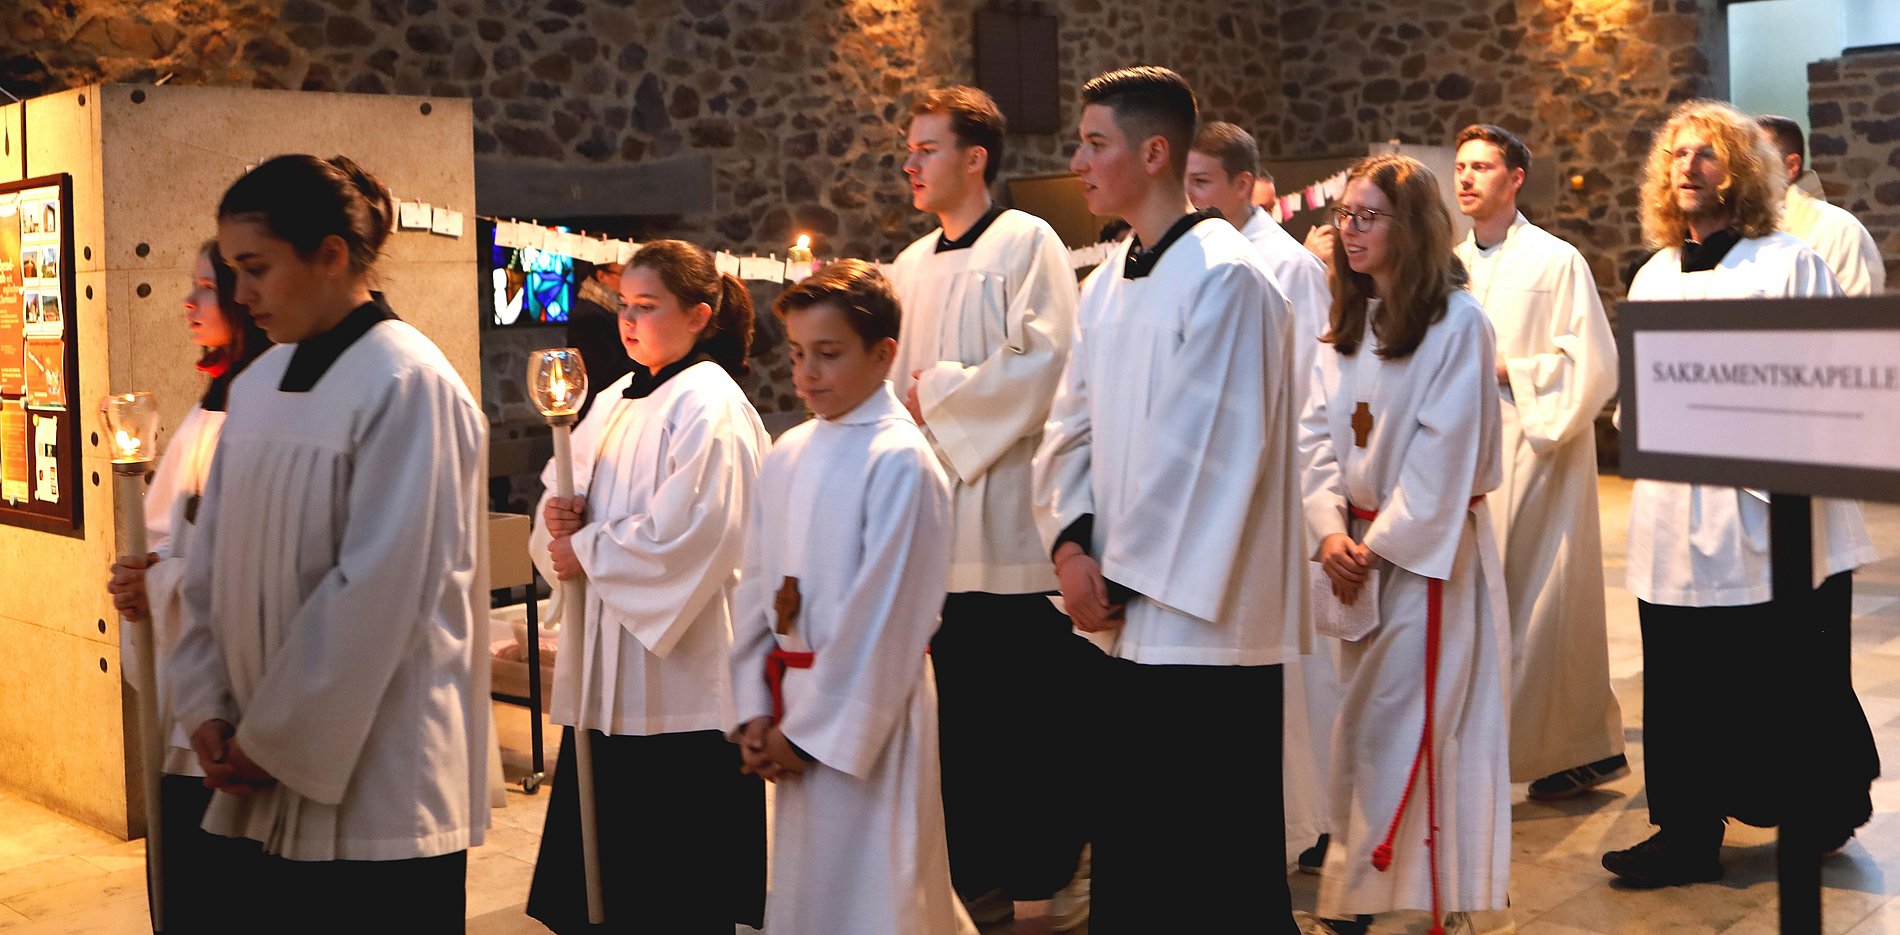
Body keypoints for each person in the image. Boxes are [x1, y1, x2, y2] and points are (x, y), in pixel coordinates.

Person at [166, 154, 489, 931]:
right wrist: (205, 705)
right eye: (233, 271)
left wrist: (271, 736)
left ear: (332, 255)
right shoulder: (256, 384)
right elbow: (210, 564)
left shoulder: (408, 382)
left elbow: (381, 588)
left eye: (257, 268)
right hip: (254, 755)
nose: (241, 294)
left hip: (377, 769)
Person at [1034, 66, 1302, 933]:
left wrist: (1110, 578)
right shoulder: (1108, 280)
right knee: (1137, 852)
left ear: (1155, 153)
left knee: (1210, 863)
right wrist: (1071, 546)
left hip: (1202, 625)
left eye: (1095, 142)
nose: (1078, 160)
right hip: (1123, 612)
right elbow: (1065, 427)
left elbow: (1207, 457)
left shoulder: (1228, 277)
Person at [1602, 99, 1880, 887]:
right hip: (1673, 508)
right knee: (1681, 677)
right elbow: (1639, 388)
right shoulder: (1655, 271)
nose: (1687, 166)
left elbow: (1829, 378)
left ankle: (1813, 804)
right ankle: (1686, 831)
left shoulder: (1789, 261)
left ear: (1743, 172)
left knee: (1772, 674)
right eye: (1677, 155)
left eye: (1707, 155)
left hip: (1759, 508)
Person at [887, 84, 1089, 934]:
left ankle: (1046, 878)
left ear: (976, 157)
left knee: (1029, 729)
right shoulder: (903, 265)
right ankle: (977, 881)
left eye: (927, 148)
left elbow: (1045, 362)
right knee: (960, 731)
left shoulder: (1026, 240)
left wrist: (940, 397)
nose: (911, 163)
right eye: (909, 149)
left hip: (1010, 531)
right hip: (938, 537)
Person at [524, 240, 769, 933]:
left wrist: (586, 546)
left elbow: (699, 532)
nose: (629, 322)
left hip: (679, 676)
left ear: (699, 314)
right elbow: (559, 498)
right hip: (611, 673)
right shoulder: (607, 402)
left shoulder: (710, 406)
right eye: (624, 306)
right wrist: (557, 522)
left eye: (648, 307)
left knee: (676, 895)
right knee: (609, 883)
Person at [729, 259, 975, 935]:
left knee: (878, 891)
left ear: (884, 353)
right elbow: (756, 591)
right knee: (809, 894)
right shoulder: (787, 451)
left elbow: (887, 621)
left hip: (869, 713)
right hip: (790, 710)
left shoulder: (902, 462)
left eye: (828, 355)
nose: (806, 374)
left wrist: (805, 735)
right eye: (799, 354)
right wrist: (753, 708)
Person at [1302, 153, 1509, 935]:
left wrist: (1375, 547)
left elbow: (1443, 453)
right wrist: (1327, 531)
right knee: (1360, 724)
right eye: (1342, 217)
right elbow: (1310, 435)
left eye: (1365, 217)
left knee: (1412, 721)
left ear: (1410, 227)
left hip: (1424, 559)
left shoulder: (1457, 325)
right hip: (1353, 550)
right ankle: (1368, 881)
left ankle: (1404, 884)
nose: (1347, 232)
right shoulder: (1346, 322)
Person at [1451, 123, 1626, 798]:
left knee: (1541, 605)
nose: (1466, 177)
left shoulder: (1557, 261)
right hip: (1469, 448)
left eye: (1483, 166)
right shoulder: (1449, 264)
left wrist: (1506, 367)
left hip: (1537, 450)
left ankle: (1570, 747)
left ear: (1515, 178)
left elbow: (1595, 364)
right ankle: (1490, 747)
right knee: (1482, 606)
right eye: (1461, 166)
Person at [1185, 119, 1340, 872]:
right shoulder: (1190, 257)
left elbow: (1313, 395)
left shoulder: (1286, 265)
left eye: (1203, 183)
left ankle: (1314, 819)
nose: (1190, 197)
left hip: (1285, 497)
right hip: (1223, 506)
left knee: (1303, 675)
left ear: (1246, 186)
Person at [105, 240, 271, 932]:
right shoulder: (207, 411)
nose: (189, 302)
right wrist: (140, 573)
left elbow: (243, 564)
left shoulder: (261, 414)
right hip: (188, 694)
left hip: (237, 694)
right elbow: (170, 537)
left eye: (207, 288)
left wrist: (161, 579)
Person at [1757, 114, 1886, 297]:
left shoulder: (1839, 230)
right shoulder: (1731, 229)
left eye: (1754, 159)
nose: (1740, 171)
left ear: (1791, 167)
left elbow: (1860, 317)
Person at [567, 259, 635, 420]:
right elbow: (608, 372)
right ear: (601, 276)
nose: (629, 279)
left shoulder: (612, 308)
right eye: (623, 273)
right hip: (598, 410)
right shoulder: (588, 315)